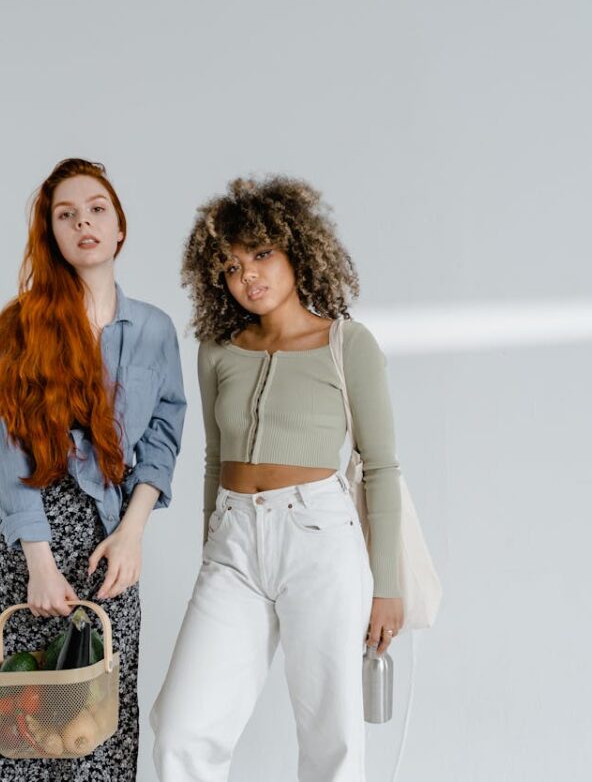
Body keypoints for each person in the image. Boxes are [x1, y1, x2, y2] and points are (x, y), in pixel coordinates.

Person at [150, 176, 404, 781]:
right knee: (182, 727)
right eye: (232, 266)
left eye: (261, 254)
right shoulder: (218, 349)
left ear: (296, 249)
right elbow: (214, 460)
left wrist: (387, 586)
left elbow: (382, 465)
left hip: (320, 538)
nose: (249, 276)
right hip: (233, 542)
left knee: (331, 736)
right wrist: (211, 547)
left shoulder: (348, 344)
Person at [0, 158, 186, 781]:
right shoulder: (23, 326)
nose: (83, 222)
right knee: (25, 716)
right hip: (34, 540)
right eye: (66, 215)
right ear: (52, 235)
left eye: (96, 210)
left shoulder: (155, 330)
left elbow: (165, 436)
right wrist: (38, 563)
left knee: (100, 711)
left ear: (118, 228)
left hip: (114, 536)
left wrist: (134, 532)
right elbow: (9, 455)